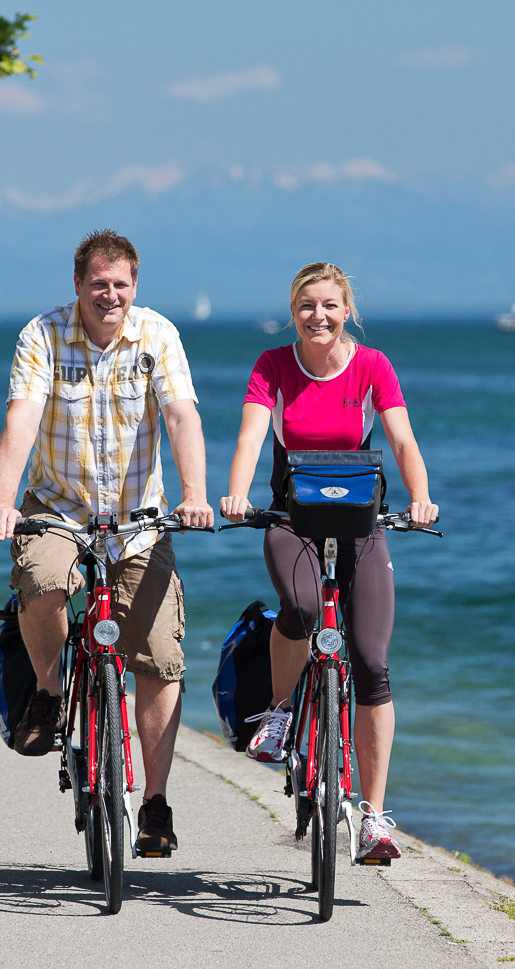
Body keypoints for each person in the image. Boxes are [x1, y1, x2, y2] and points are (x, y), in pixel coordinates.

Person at [0, 230, 214, 856]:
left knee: (161, 658)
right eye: (97, 284)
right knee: (42, 583)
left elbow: (181, 414)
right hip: (58, 506)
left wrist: (194, 492)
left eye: (121, 284)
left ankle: (156, 804)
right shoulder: (44, 336)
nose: (109, 295)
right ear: (78, 286)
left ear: (135, 286)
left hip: (138, 519)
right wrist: (3, 501)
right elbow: (22, 418)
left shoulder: (158, 336)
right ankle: (55, 695)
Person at [220, 262, 439, 861]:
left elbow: (400, 439)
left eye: (330, 305)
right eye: (307, 305)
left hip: (361, 524)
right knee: (301, 606)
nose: (319, 316)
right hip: (294, 520)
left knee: (371, 661)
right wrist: (236, 495)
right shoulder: (273, 366)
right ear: (293, 311)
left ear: (348, 312)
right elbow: (250, 438)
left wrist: (420, 498)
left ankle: (373, 819)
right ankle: (283, 711)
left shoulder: (372, 365)